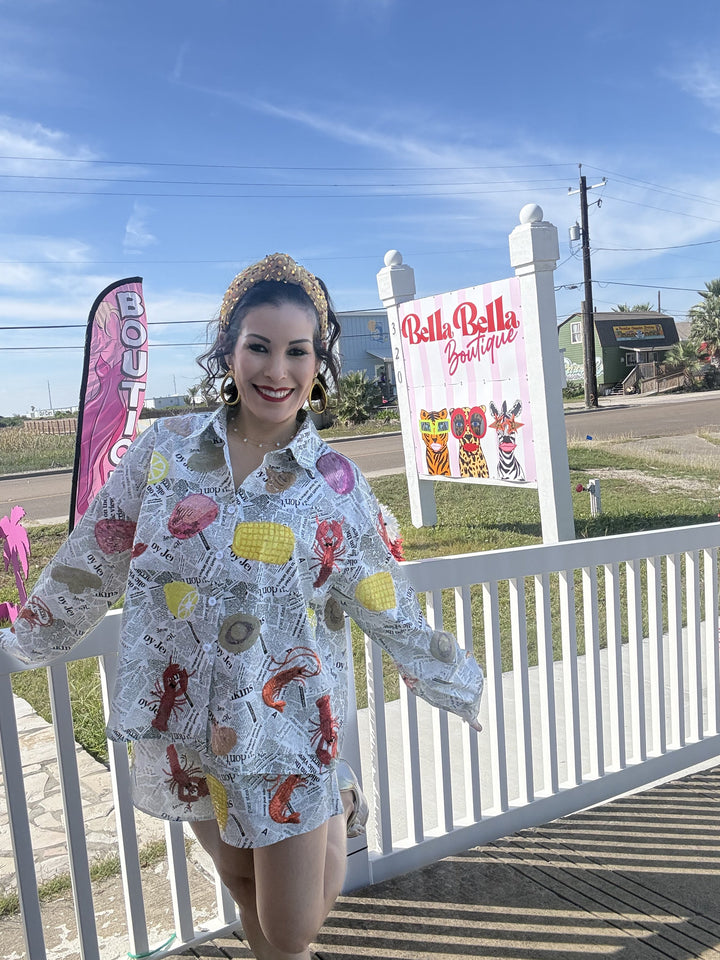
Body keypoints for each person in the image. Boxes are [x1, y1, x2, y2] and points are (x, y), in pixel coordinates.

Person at [0, 253, 483, 960]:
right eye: (259, 346)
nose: (276, 370)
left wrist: (451, 677)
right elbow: (92, 557)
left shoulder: (335, 486)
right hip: (185, 720)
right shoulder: (162, 451)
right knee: (242, 888)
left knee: (290, 927)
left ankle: (338, 803)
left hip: (286, 729)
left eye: (298, 350)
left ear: (320, 362)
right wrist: (20, 644)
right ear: (227, 350)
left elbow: (387, 600)